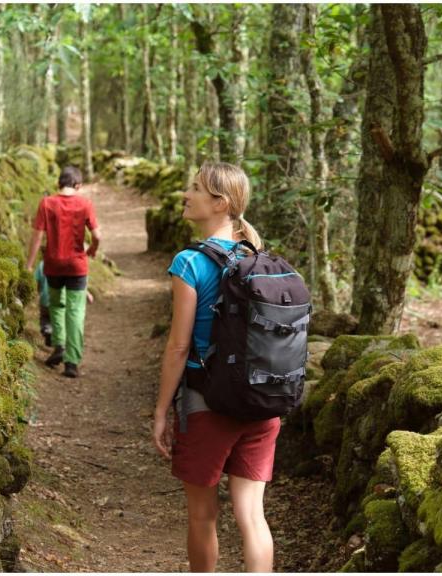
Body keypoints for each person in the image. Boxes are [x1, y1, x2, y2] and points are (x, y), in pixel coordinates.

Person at [152, 162, 279, 572]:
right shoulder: (256, 257)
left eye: (195, 188)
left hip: (206, 402)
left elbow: (178, 345)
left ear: (219, 203)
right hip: (261, 401)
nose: (186, 195)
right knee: (252, 516)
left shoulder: (190, 262)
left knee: (203, 515)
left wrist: (160, 410)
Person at [25, 166, 101, 378]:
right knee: (75, 311)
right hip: (77, 267)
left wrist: (29, 265)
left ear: (59, 184)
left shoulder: (47, 203)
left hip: (53, 266)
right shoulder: (85, 204)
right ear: (78, 186)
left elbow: (37, 237)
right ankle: (72, 362)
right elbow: (97, 235)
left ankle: (59, 345)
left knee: (56, 305)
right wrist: (92, 250)